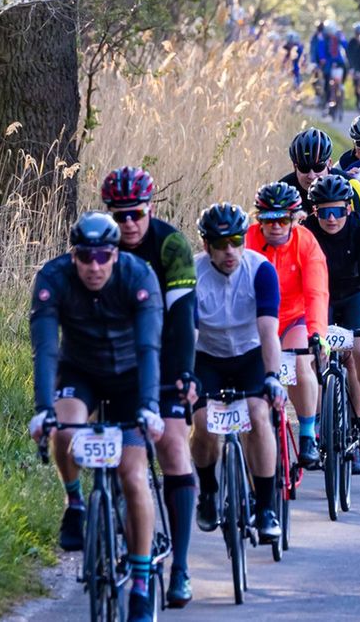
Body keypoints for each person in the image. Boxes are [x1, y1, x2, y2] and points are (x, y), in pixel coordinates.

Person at [29, 212, 166, 622]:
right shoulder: (52, 279)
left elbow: (148, 350)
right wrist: (41, 410)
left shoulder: (138, 276)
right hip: (80, 370)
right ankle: (75, 502)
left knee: (132, 473)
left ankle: (141, 582)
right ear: (73, 256)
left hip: (129, 376)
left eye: (103, 257)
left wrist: (150, 408)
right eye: (85, 257)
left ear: (115, 254)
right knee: (65, 430)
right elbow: (46, 352)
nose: (94, 266)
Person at [98, 168, 199, 607]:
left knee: (174, 446)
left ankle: (180, 567)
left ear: (150, 209)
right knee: (115, 452)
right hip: (117, 359)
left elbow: (183, 321)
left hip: (166, 354)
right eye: (119, 217)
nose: (129, 225)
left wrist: (183, 376)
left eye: (136, 215)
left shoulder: (171, 245)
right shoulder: (99, 244)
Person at [189, 203, 287, 548]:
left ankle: (265, 508)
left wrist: (273, 376)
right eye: (220, 243)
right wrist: (185, 377)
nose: (229, 250)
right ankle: (208, 491)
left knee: (259, 415)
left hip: (250, 355)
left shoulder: (260, 270)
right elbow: (190, 334)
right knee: (202, 422)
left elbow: (268, 331)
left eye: (235, 241)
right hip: (208, 357)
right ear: (207, 247)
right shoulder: (193, 273)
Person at [246, 182, 329, 470]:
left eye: (283, 220)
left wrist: (317, 335)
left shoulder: (306, 243)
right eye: (268, 220)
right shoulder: (248, 241)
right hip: (258, 316)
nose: (276, 227)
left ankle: (307, 434)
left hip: (295, 315)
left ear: (295, 219)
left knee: (301, 364)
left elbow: (317, 294)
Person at [305, 174, 360, 473]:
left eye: (337, 211)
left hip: (353, 294)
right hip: (320, 296)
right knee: (313, 357)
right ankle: (311, 431)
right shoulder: (307, 232)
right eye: (324, 212)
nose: (331, 218)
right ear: (315, 212)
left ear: (349, 209)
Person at [283, 128, 360, 219]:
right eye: (304, 168)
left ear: (329, 164)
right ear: (295, 167)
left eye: (318, 168)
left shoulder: (352, 186)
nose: (311, 176)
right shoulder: (283, 191)